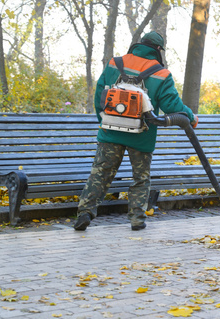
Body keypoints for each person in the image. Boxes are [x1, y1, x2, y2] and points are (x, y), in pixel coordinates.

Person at [74, 31, 197, 231]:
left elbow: (100, 95)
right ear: (158, 50)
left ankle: (85, 213)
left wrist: (104, 120)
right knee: (140, 177)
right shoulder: (161, 73)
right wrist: (191, 117)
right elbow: (172, 105)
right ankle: (137, 219)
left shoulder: (115, 63)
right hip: (142, 135)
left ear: (139, 44)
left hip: (111, 132)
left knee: (101, 173)